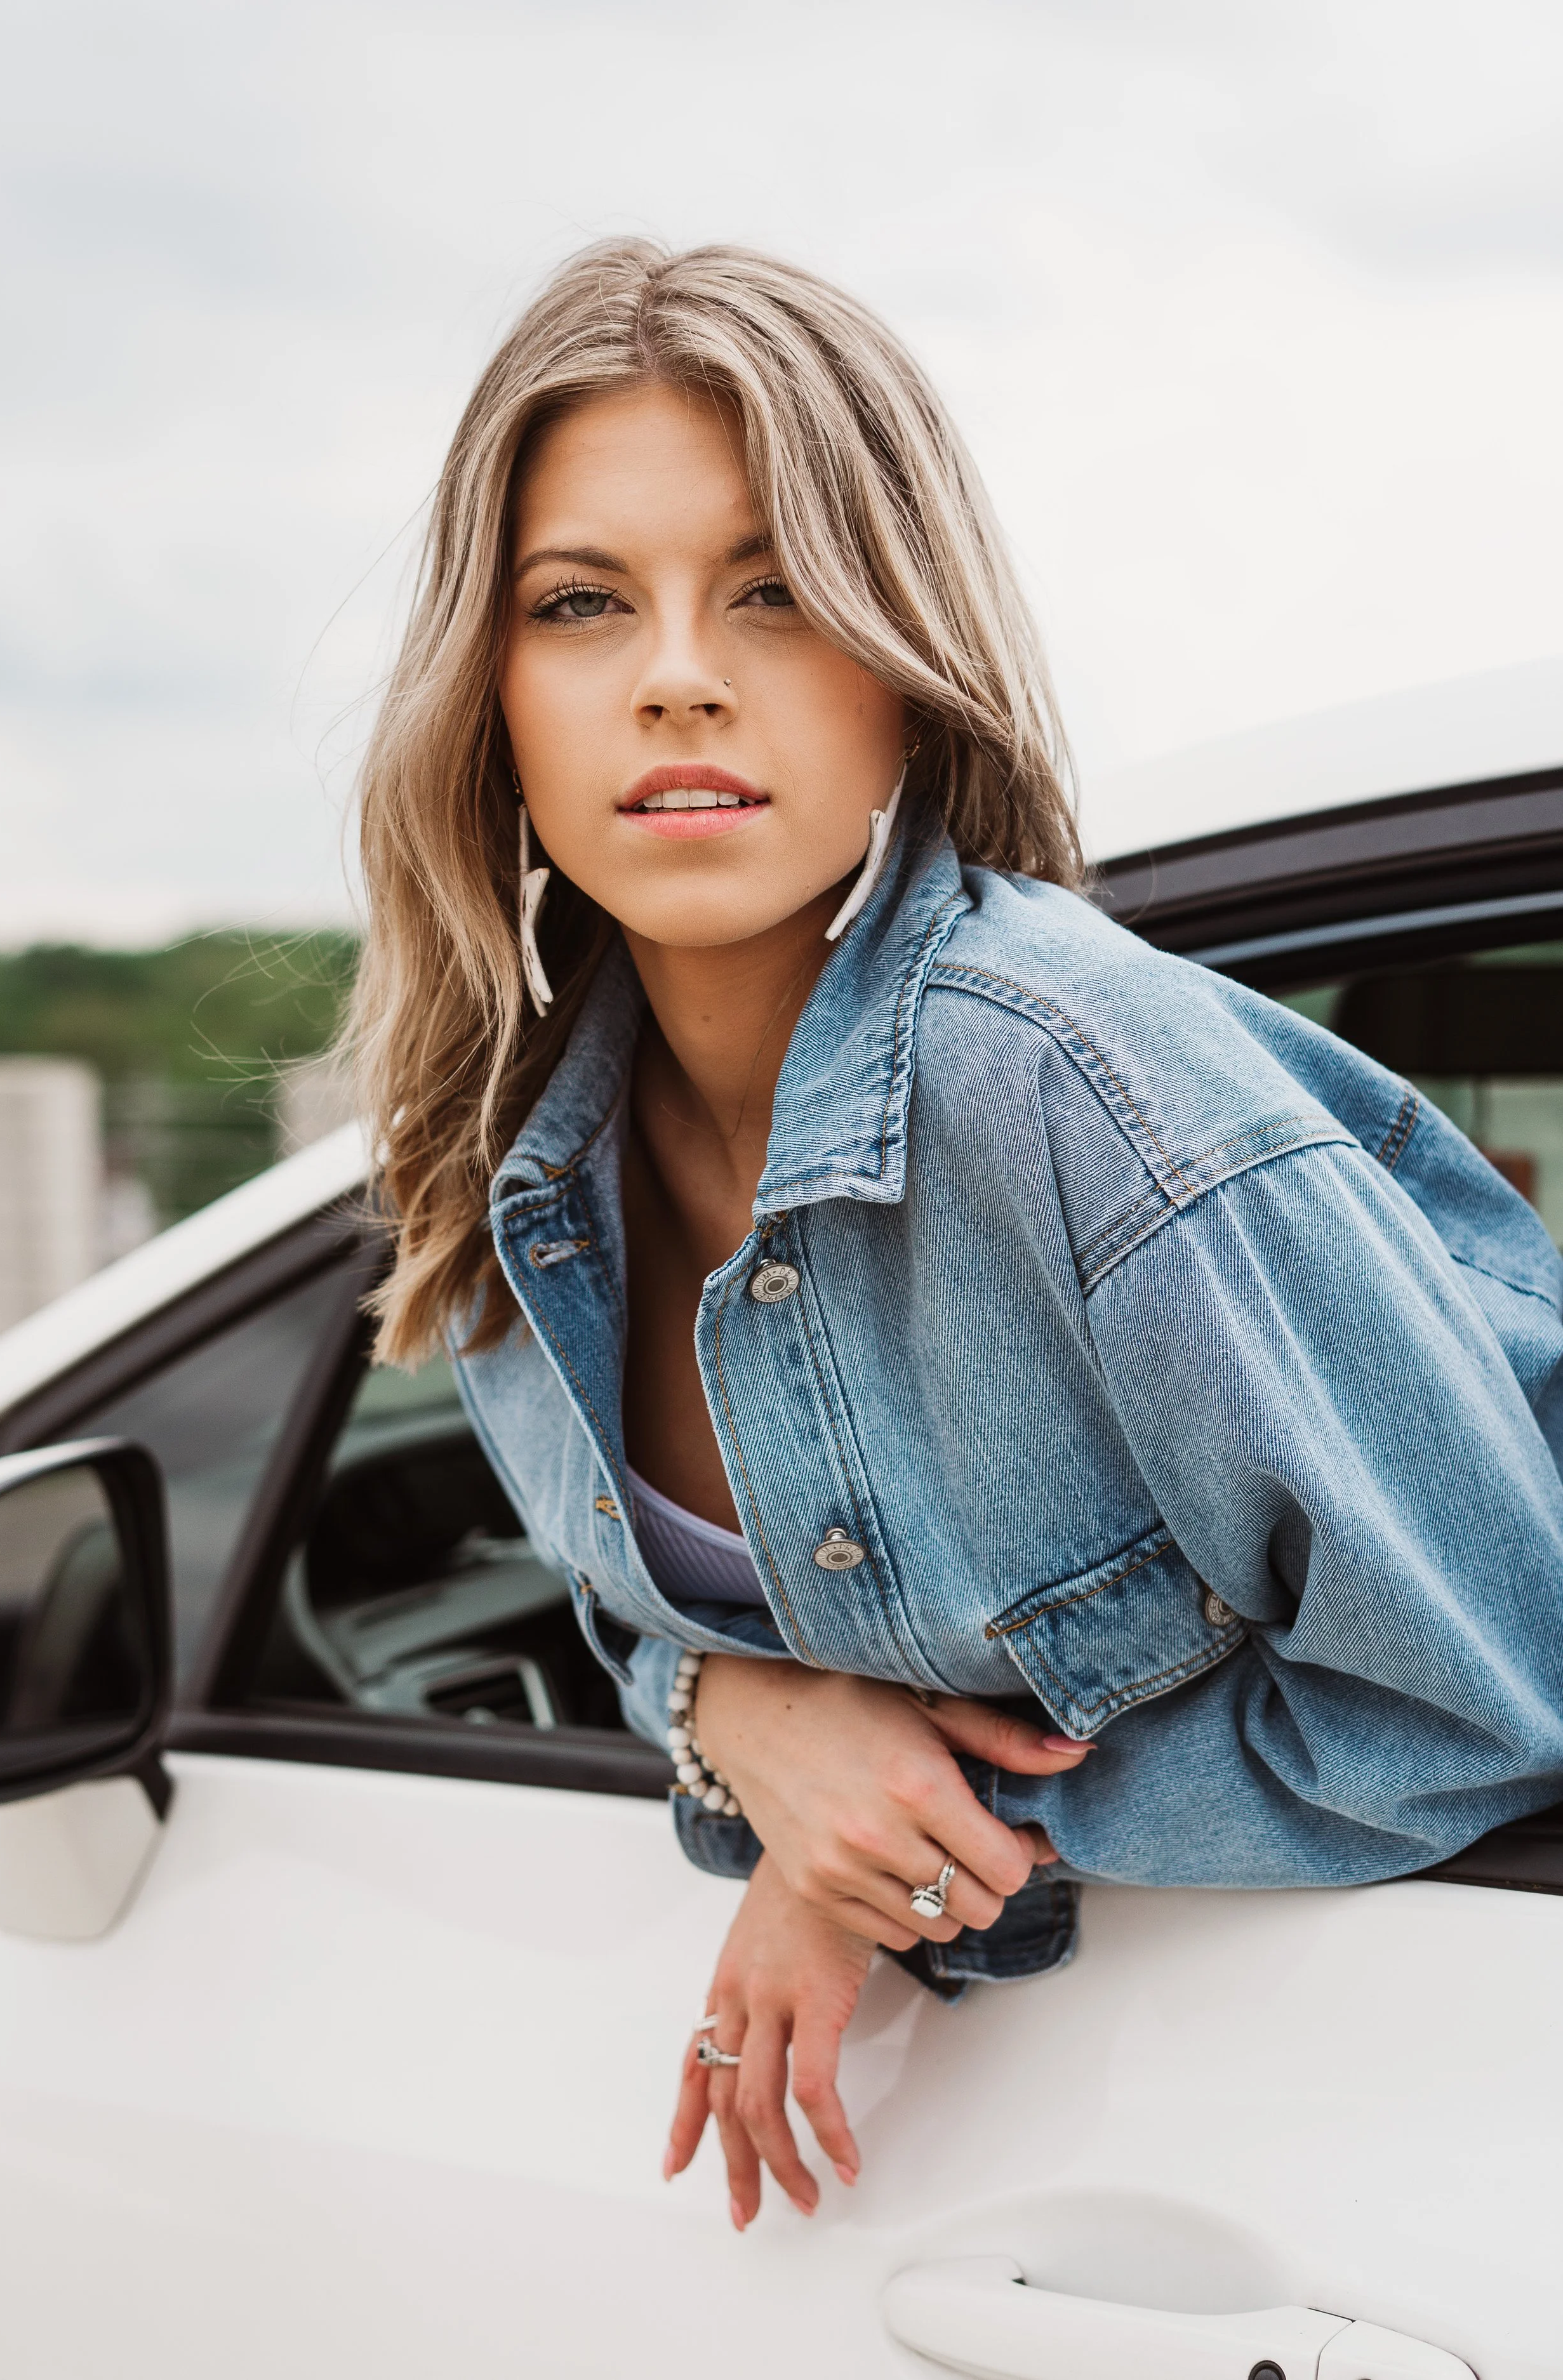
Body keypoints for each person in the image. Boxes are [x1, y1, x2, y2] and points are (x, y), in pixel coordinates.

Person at [349, 239, 1563, 2234]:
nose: (676, 669)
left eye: (776, 587)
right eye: (581, 601)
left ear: (904, 647)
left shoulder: (1067, 1082)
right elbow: (634, 1597)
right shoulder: (507, 1147)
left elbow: (1493, 1684)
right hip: (991, 2192)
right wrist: (729, 1709)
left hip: (1324, 2170)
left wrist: (904, 1853)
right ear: (485, 687)